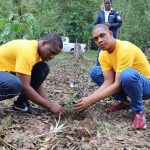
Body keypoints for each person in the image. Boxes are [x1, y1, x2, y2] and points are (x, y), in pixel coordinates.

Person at [74, 24, 150, 129]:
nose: (99, 40)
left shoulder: (125, 48)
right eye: (96, 38)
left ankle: (138, 112)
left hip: (145, 86)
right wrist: (88, 98)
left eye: (102, 35)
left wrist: (90, 101)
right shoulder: (103, 54)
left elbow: (117, 85)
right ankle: (125, 102)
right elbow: (108, 82)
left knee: (127, 75)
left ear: (110, 34)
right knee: (95, 72)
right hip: (127, 82)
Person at [0, 33, 65, 114]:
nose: (52, 56)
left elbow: (36, 84)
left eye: (54, 55)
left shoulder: (37, 54)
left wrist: (51, 104)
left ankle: (20, 105)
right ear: (44, 43)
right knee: (14, 84)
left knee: (42, 68)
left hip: (4, 73)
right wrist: (50, 106)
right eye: (51, 52)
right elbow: (25, 87)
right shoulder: (28, 51)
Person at [94, 0, 122, 65]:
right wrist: (102, 26)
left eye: (108, 3)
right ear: (104, 4)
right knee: (100, 54)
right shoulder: (100, 13)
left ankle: (112, 71)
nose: (107, 4)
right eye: (106, 3)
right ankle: (98, 69)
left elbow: (119, 24)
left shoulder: (115, 13)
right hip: (102, 38)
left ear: (111, 3)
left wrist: (110, 25)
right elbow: (96, 24)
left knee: (112, 54)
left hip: (112, 38)